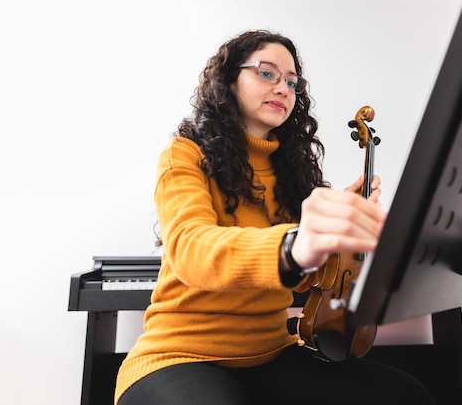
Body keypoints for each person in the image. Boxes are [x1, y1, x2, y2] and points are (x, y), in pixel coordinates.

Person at [114, 29, 436, 405]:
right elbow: (191, 249)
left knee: (406, 396)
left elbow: (308, 277)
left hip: (272, 354)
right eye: (267, 73)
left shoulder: (293, 173)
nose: (283, 87)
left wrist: (340, 238)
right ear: (229, 80)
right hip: (179, 357)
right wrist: (296, 242)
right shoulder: (184, 155)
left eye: (292, 81)